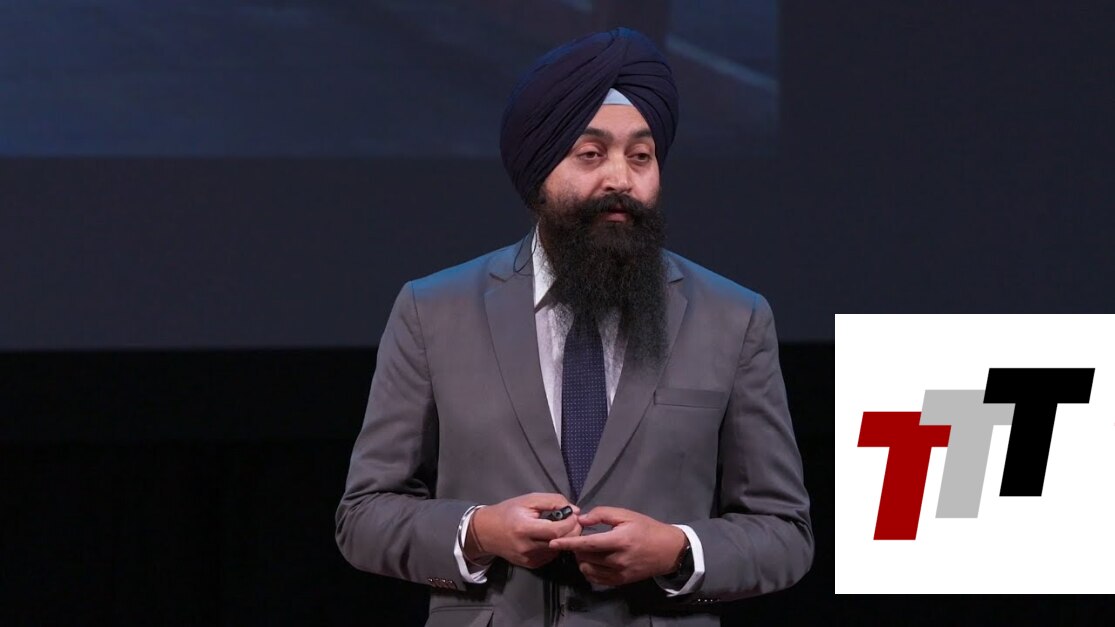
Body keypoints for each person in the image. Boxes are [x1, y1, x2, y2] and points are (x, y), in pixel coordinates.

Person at [336, 28, 813, 627]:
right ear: (539, 172)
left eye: (641, 157)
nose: (620, 179)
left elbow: (784, 531)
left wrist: (678, 550)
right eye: (591, 154)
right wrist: (480, 531)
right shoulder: (433, 310)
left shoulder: (733, 317)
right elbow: (364, 516)